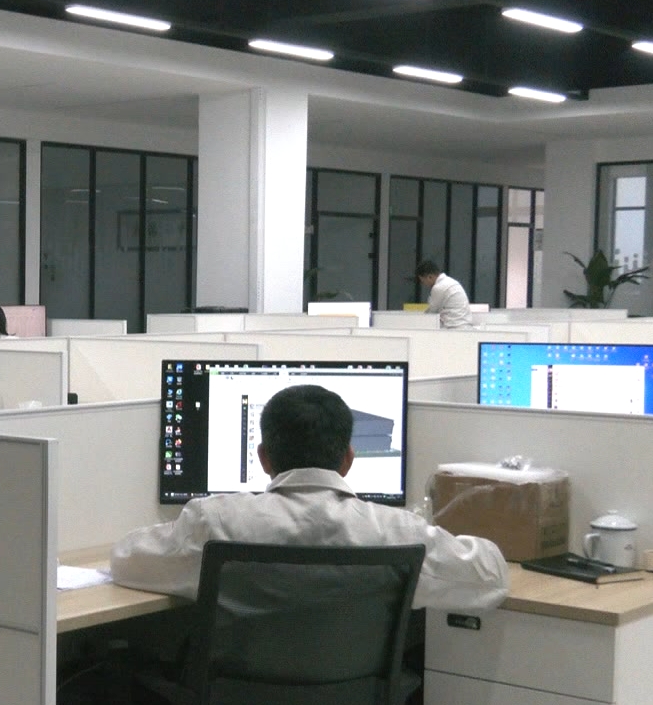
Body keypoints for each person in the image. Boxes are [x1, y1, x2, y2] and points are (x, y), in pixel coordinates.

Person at [111, 384, 508, 613]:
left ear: (263, 458)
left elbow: (126, 560)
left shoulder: (213, 522)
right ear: (348, 459)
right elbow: (490, 577)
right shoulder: (400, 532)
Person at [416, 259, 471, 329]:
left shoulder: (438, 287)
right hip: (464, 325)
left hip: (453, 327)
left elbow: (431, 312)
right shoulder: (451, 282)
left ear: (430, 277)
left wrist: (416, 320)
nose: (424, 284)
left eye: (423, 281)